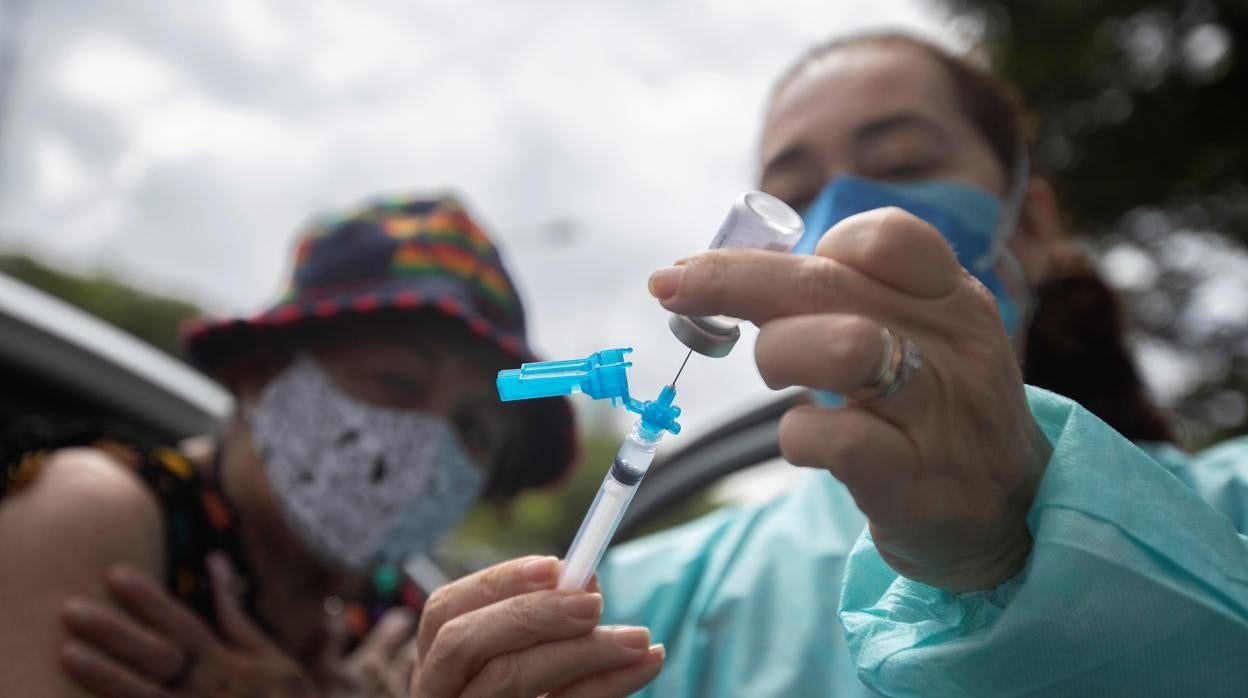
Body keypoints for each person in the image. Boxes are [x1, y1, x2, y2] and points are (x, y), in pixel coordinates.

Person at [63, 34, 1248, 697]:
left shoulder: (1226, 519)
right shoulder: (658, 592)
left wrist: (1030, 545)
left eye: (898, 157)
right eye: (792, 188)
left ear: (1031, 223)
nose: (837, 215)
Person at [0, 193, 628, 696]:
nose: (423, 446)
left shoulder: (403, 624)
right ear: (263, 372)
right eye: (393, 381)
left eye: (474, 428)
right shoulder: (101, 515)